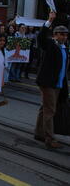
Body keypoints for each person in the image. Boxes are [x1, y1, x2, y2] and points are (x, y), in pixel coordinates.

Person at [34, 12, 68, 149]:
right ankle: (49, 138)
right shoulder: (50, 45)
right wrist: (49, 21)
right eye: (61, 34)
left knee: (45, 108)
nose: (64, 37)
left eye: (65, 35)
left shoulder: (65, 49)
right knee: (50, 110)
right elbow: (40, 38)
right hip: (48, 83)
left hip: (58, 84)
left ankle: (39, 133)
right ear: (54, 35)